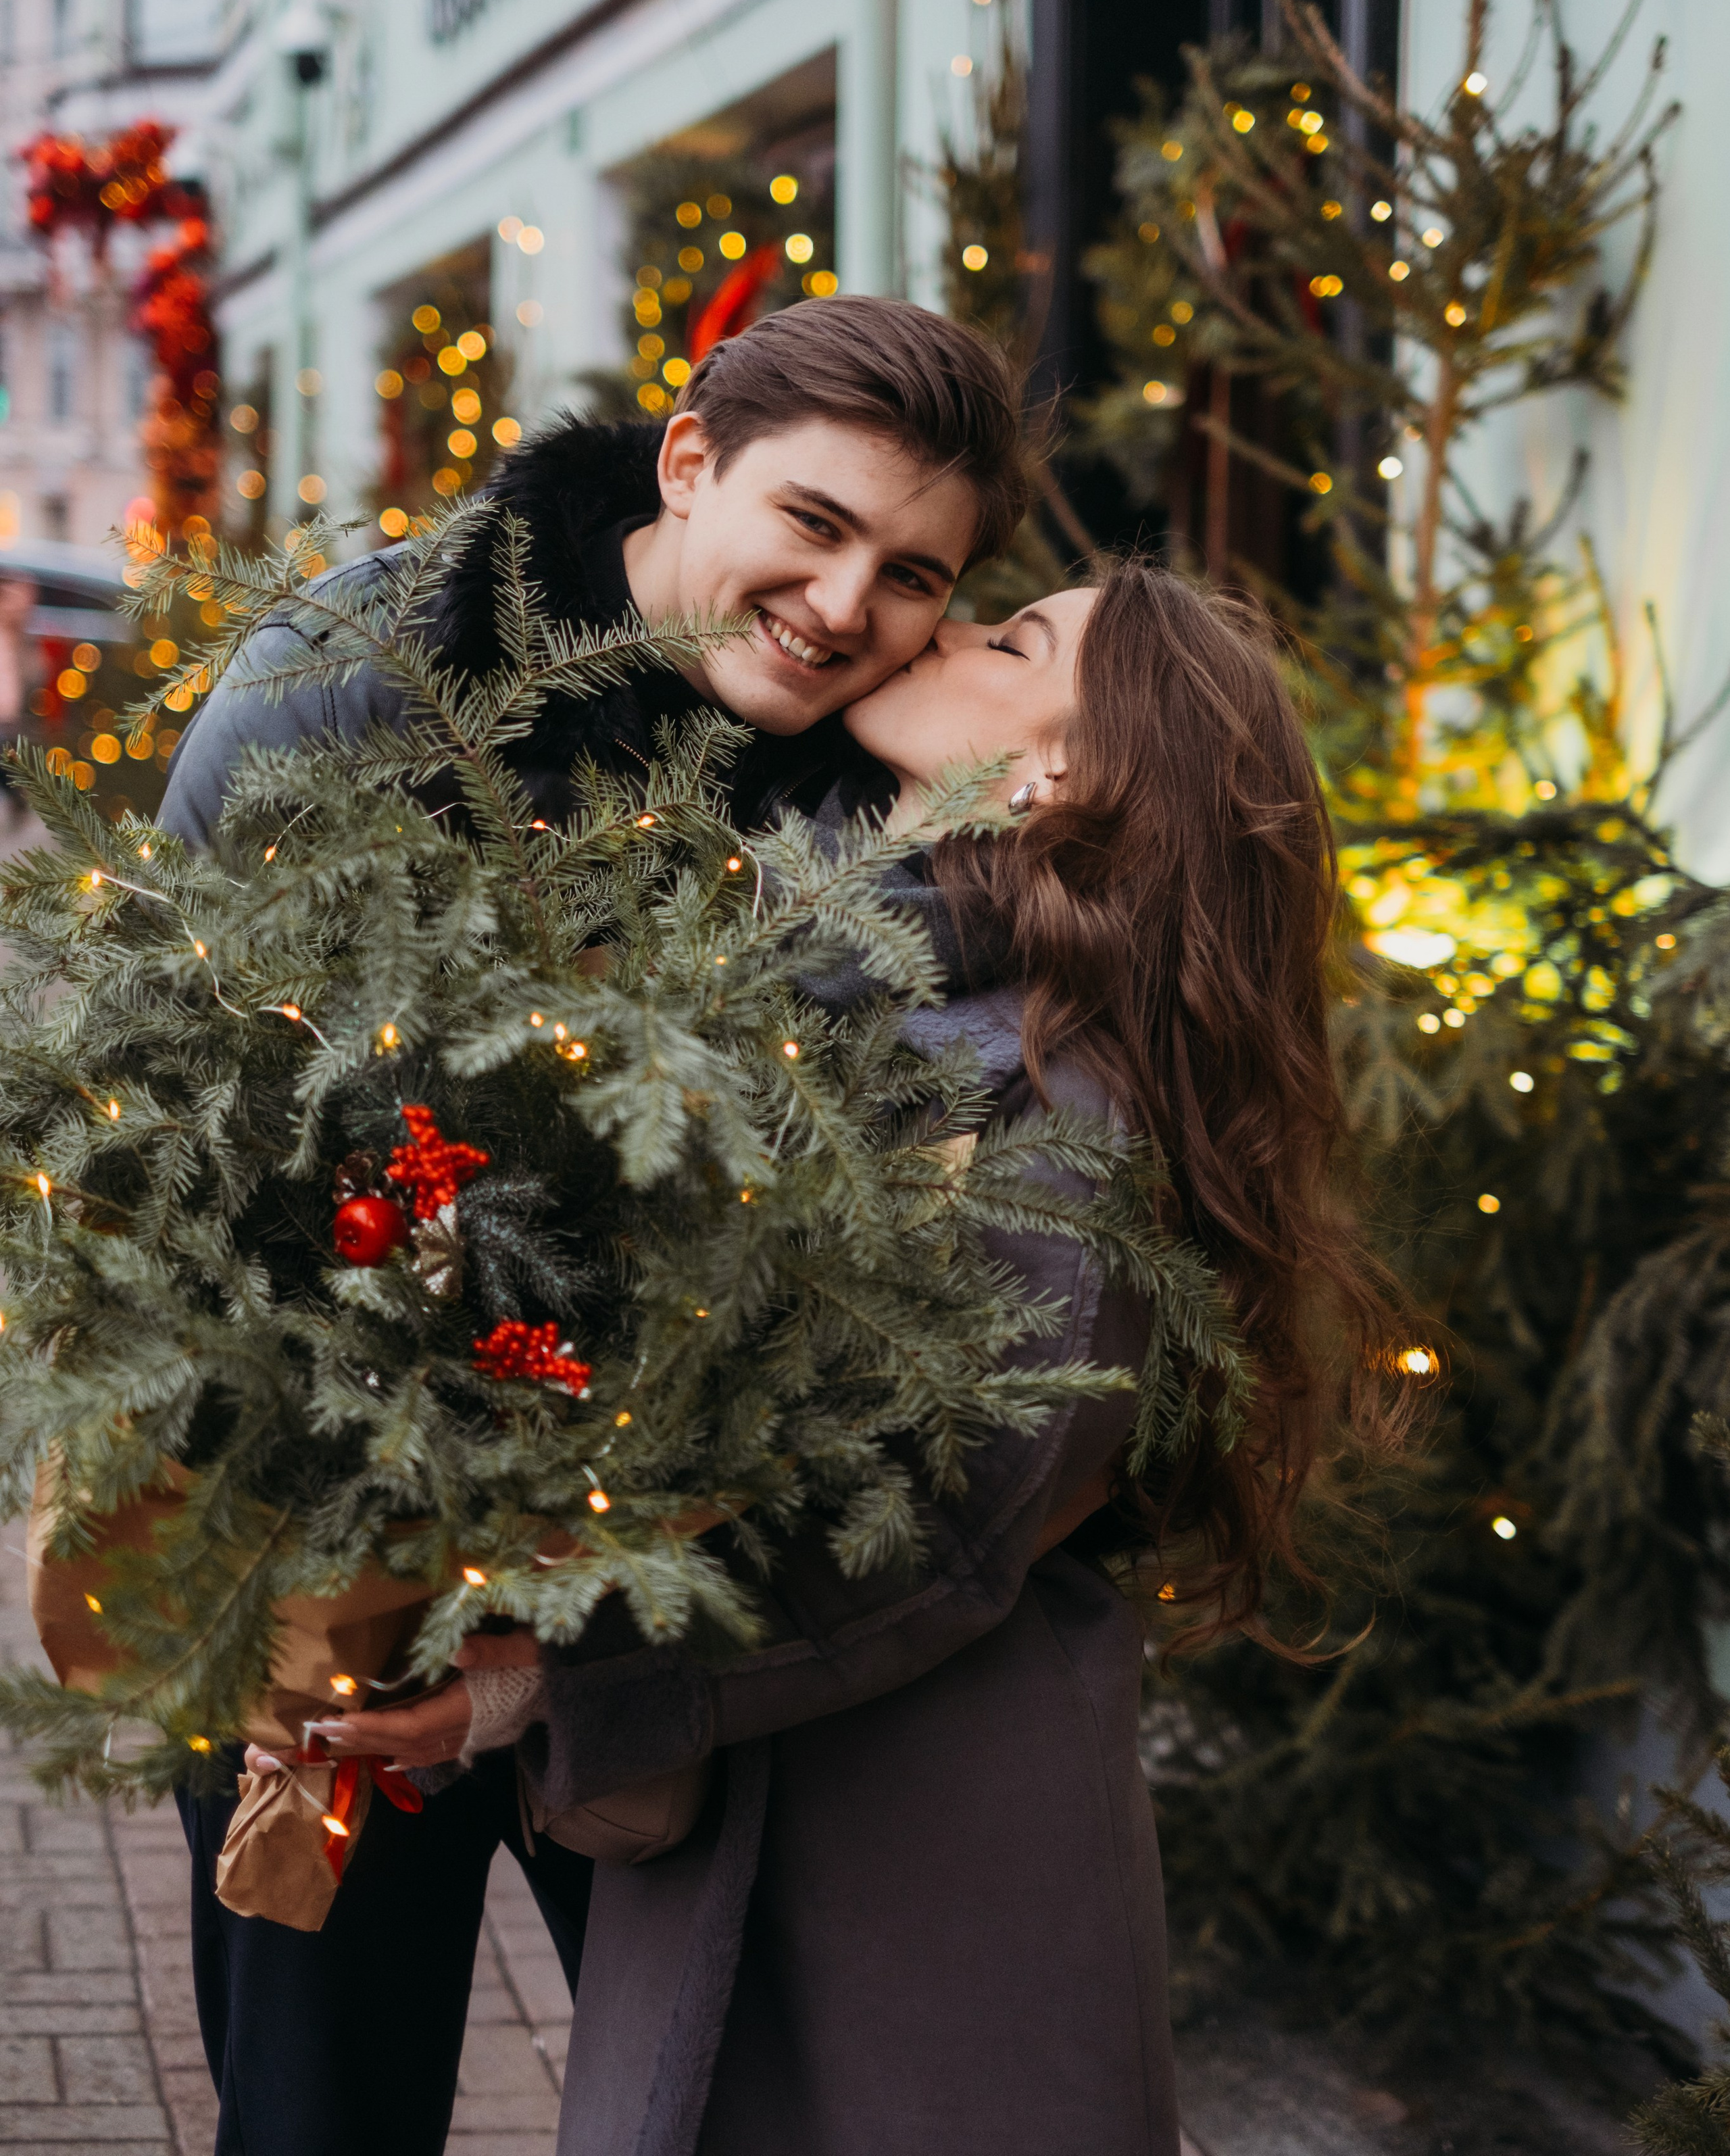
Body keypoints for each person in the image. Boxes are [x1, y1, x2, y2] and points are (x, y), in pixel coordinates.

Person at [321, 560, 1399, 2156]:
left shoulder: (1060, 1095)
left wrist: (539, 1688)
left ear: (1061, 776)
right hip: (788, 1807)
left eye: (1011, 639)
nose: (945, 630)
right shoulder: (833, 963)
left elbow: (945, 1532)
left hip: (923, 1852)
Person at [160, 295, 1032, 2156]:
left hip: (655, 1574)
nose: (845, 603)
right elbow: (181, 1097)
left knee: (698, 2076)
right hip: (325, 1524)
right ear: (692, 459)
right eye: (814, 523)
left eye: (913, 573)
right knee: (326, 2091)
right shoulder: (375, 672)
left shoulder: (862, 763)